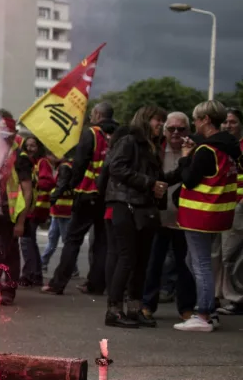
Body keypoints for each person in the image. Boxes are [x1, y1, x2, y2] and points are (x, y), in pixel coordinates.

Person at [172, 101, 242, 332]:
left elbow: (189, 179)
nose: (194, 123)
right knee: (194, 262)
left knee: (200, 263)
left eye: (197, 119)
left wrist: (184, 156)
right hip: (217, 214)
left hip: (200, 215)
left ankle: (203, 314)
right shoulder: (229, 148)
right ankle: (209, 309)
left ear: (206, 120)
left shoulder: (206, 151)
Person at [43, 102, 119, 295]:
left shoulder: (91, 133)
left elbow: (79, 165)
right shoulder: (120, 135)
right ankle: (96, 285)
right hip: (109, 196)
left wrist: (71, 186)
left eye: (93, 115)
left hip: (87, 194)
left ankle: (57, 284)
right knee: (102, 242)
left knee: (73, 239)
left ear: (97, 115)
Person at [102, 106, 168, 328]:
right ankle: (114, 311)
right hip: (124, 204)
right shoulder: (130, 141)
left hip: (142, 207)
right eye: (157, 120)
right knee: (127, 258)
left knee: (141, 261)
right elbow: (116, 168)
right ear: (145, 120)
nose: (161, 124)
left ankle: (133, 309)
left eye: (162, 120)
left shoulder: (152, 146)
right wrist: (149, 183)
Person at [142, 112, 196, 321]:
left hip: (184, 217)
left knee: (185, 266)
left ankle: (186, 308)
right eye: (171, 129)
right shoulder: (155, 150)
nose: (175, 133)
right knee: (153, 262)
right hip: (158, 216)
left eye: (180, 129)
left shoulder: (194, 151)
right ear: (164, 130)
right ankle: (147, 304)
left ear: (188, 131)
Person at [0, 111, 34, 306]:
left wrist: (21, 222)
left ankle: (8, 290)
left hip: (10, 215)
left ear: (12, 137)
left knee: (9, 253)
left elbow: (27, 192)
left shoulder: (21, 158)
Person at [214, 108, 243, 315]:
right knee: (222, 254)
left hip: (239, 206)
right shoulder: (224, 146)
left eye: (232, 122)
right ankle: (220, 295)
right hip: (224, 206)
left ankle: (237, 299)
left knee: (230, 255)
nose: (227, 125)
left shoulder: (239, 147)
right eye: (225, 122)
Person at [19, 136, 54, 287]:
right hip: (33, 208)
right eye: (28, 146)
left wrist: (32, 181)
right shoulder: (31, 163)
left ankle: (30, 275)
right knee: (29, 243)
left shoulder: (42, 162)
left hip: (36, 209)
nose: (30, 148)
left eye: (33, 145)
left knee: (27, 243)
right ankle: (34, 274)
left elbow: (48, 182)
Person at [41, 149, 75, 276]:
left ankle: (71, 268)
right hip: (59, 210)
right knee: (54, 239)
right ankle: (43, 262)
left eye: (51, 154)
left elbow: (61, 186)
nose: (49, 157)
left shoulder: (64, 167)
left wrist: (52, 199)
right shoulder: (63, 166)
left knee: (65, 241)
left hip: (62, 209)